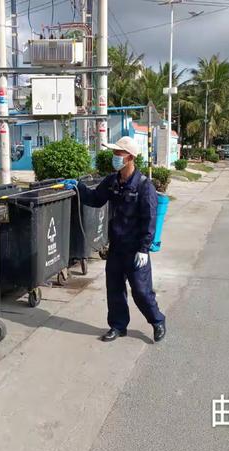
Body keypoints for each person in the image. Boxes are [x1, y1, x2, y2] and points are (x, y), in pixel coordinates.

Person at [62, 136, 166, 343]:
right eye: (114, 153)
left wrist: (144, 249)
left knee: (141, 291)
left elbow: (150, 219)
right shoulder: (112, 181)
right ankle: (118, 326)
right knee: (115, 289)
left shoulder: (145, 186)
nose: (114, 157)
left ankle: (157, 321)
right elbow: (95, 199)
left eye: (118, 153)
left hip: (136, 249)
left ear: (130, 157)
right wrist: (79, 187)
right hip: (117, 247)